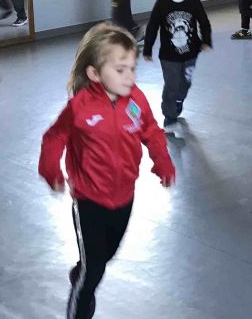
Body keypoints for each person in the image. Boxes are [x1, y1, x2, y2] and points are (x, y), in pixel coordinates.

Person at [38, 23, 176, 319]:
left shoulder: (136, 100)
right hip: (89, 198)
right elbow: (55, 137)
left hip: (124, 195)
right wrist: (50, 169)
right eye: (120, 70)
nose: (130, 77)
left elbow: (151, 131)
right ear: (95, 74)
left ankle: (82, 271)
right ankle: (80, 302)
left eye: (132, 69)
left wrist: (162, 160)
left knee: (106, 255)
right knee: (94, 271)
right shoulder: (80, 107)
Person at [142, 0, 212, 131]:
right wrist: (148, 48)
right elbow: (152, 27)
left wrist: (206, 40)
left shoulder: (194, 2)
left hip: (191, 54)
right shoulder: (162, 4)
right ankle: (169, 116)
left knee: (185, 83)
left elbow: (204, 22)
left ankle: (179, 100)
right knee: (171, 85)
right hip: (169, 56)